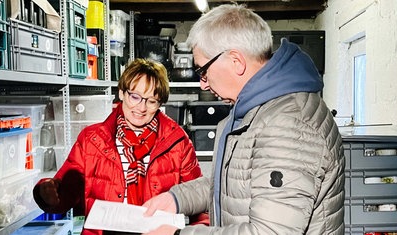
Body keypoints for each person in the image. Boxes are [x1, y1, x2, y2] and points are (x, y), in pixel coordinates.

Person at [141, 3, 345, 235]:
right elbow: (234, 185)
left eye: (203, 70)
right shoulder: (253, 111)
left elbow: (270, 232)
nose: (203, 83)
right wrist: (177, 199)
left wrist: (177, 234)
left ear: (236, 61)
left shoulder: (288, 124)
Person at [33, 58, 208, 235]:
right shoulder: (92, 140)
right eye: (135, 97)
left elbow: (198, 201)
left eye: (151, 101)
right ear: (122, 93)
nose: (141, 107)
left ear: (160, 103)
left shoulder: (177, 142)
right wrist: (47, 194)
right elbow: (66, 193)